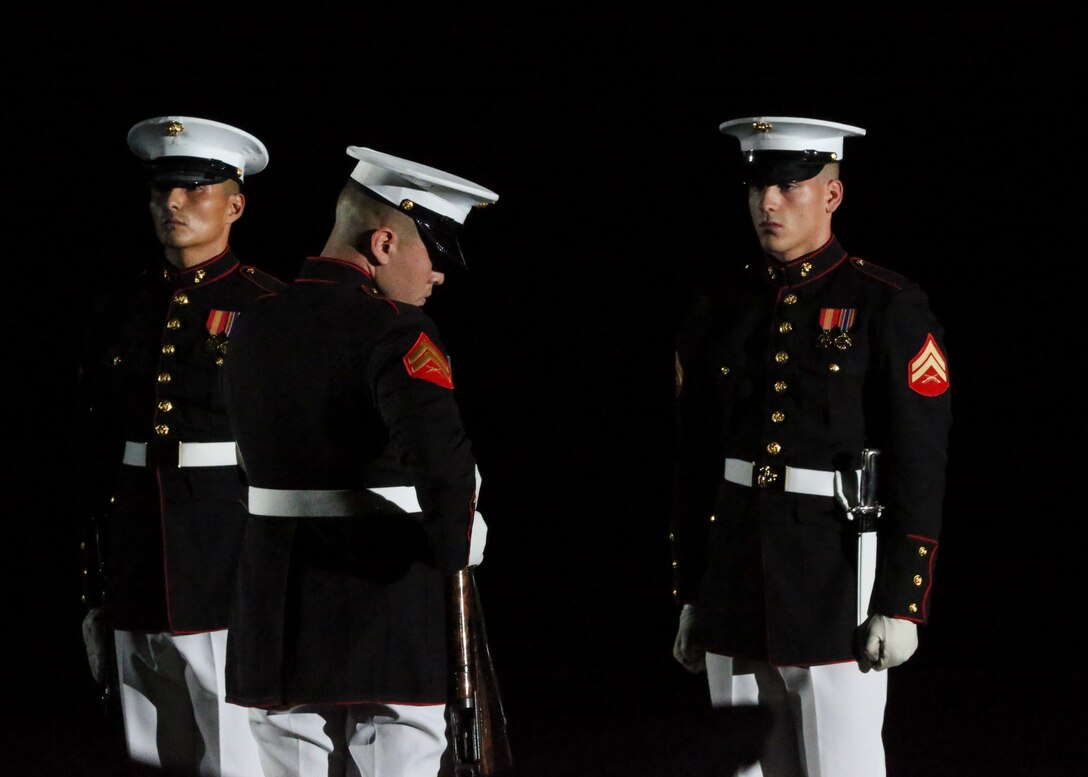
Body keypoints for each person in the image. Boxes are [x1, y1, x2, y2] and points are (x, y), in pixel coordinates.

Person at [670, 116, 952, 777]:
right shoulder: (720, 304)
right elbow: (693, 459)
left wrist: (901, 599)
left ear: (831, 195)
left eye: (789, 185)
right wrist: (691, 591)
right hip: (734, 575)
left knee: (839, 767)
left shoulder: (885, 304)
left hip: (833, 577)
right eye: (756, 187)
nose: (767, 203)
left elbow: (919, 458)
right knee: (737, 767)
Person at [220, 145, 497, 777]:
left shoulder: (251, 322)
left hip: (275, 593)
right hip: (387, 593)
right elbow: (443, 464)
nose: (439, 277)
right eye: (435, 255)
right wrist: (456, 545)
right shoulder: (397, 331)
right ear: (384, 244)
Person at [78, 115, 286, 776]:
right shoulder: (122, 306)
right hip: (135, 549)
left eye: (195, 188)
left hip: (231, 554)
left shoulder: (269, 307)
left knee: (236, 745)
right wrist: (94, 571)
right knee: (148, 745)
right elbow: (92, 442)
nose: (173, 203)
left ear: (235, 203)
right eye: (163, 188)